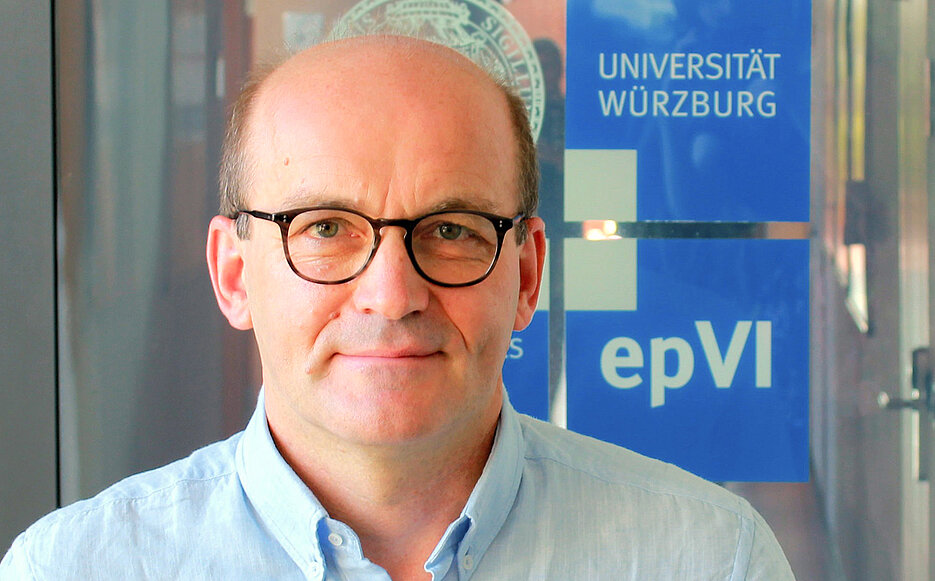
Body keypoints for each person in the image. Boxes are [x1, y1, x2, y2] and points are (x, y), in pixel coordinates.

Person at [0, 35, 794, 580]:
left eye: (450, 230)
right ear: (234, 274)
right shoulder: (73, 569)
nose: (391, 294)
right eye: (324, 228)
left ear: (526, 275)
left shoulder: (709, 560)